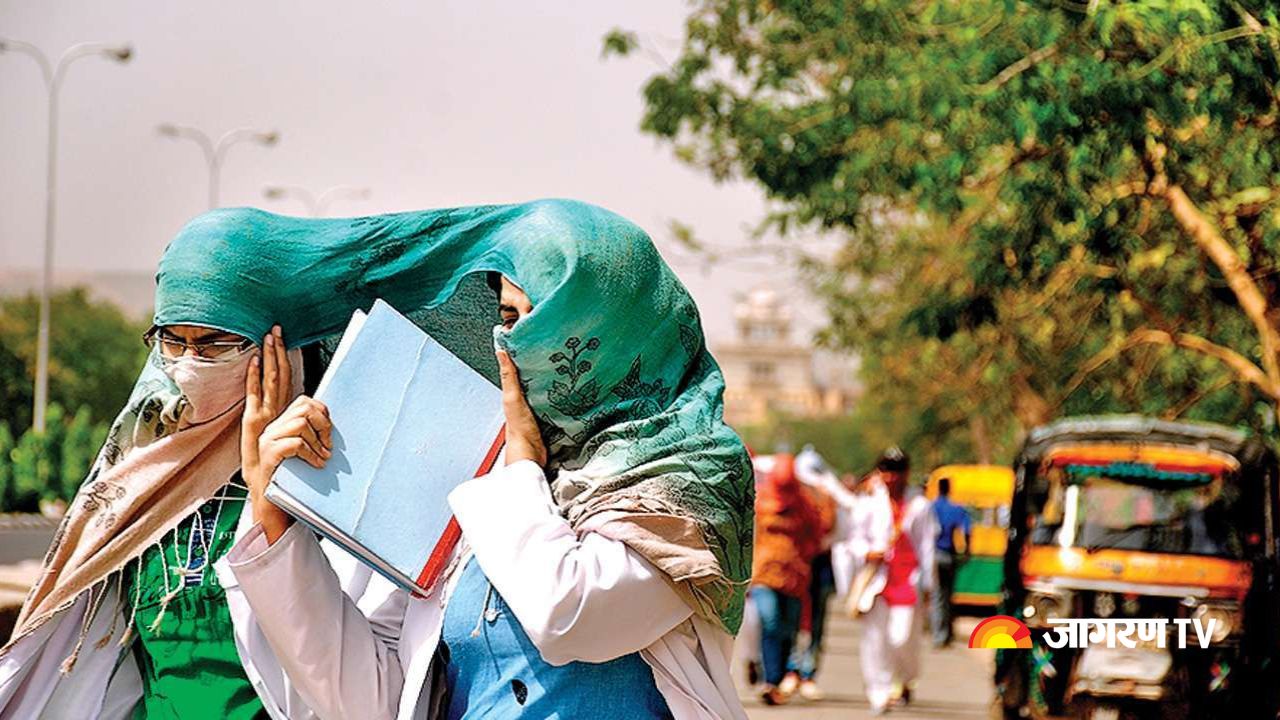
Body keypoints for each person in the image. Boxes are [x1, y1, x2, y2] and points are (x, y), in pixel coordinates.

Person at [208, 199, 752, 719]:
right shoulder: (488, 477)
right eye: (509, 316)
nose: (517, 341)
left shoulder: (692, 477)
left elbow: (569, 616)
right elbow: (372, 702)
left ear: (614, 329)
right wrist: (276, 520)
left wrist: (520, 471)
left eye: (546, 320)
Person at [0, 309, 306, 718]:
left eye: (214, 344)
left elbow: (329, 657)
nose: (190, 363)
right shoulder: (143, 478)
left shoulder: (317, 483)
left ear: (275, 354)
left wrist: (267, 489)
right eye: (173, 342)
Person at [847, 448, 936, 716]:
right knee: (875, 640)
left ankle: (906, 678)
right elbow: (853, 540)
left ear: (906, 473)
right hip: (878, 581)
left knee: (901, 638)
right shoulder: (869, 504)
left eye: (896, 471)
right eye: (885, 471)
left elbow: (928, 547)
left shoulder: (920, 506)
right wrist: (866, 551)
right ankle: (879, 691)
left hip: (908, 581)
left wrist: (929, 586)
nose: (891, 477)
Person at [748, 453, 828, 706]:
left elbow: (817, 535)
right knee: (769, 621)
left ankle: (781, 676)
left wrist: (802, 558)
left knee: (788, 630)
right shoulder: (759, 502)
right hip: (764, 575)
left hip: (794, 577)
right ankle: (770, 680)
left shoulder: (805, 505)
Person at [779, 445, 842, 701]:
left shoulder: (827, 498)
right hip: (796, 566)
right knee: (792, 621)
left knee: (815, 622)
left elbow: (829, 528)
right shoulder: (792, 498)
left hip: (821, 566)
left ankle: (809, 673)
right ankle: (790, 670)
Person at [929, 476, 971, 648]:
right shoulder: (956, 508)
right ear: (949, 489)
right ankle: (946, 633)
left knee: (937, 596)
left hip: (934, 554)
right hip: (949, 555)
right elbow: (967, 530)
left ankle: (938, 635)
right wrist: (968, 550)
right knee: (948, 595)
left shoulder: (931, 508)